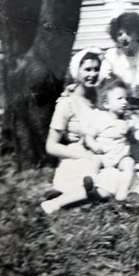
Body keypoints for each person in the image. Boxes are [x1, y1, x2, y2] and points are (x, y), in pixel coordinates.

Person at [41, 78, 135, 214]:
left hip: (118, 158)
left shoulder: (122, 116)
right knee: (101, 179)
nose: (125, 102)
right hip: (92, 157)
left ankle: (120, 195)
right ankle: (83, 186)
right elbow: (87, 136)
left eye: (96, 69)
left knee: (125, 168)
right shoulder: (69, 102)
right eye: (120, 99)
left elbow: (132, 133)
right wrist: (95, 146)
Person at [42, 47, 104, 199]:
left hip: (103, 152)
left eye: (96, 69)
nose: (93, 74)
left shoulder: (101, 99)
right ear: (77, 72)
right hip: (77, 158)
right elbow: (51, 146)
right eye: (87, 69)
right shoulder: (67, 103)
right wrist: (84, 155)